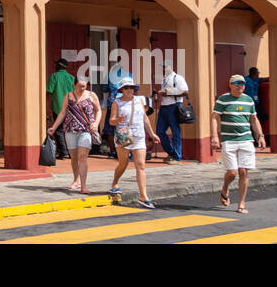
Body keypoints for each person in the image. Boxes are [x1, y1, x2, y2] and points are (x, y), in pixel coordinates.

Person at [212, 74, 266, 214]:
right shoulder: (223, 100)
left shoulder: (248, 100)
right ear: (230, 84)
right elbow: (214, 118)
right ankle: (225, 188)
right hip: (228, 140)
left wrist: (260, 136)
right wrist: (214, 137)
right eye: (237, 83)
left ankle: (241, 204)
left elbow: (254, 119)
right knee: (232, 172)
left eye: (242, 83)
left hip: (246, 140)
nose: (240, 85)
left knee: (243, 171)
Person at [106, 76, 161, 208]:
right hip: (124, 135)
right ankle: (114, 183)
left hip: (139, 136)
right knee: (123, 163)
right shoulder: (117, 103)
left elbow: (145, 119)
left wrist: (152, 134)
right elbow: (111, 121)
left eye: (131, 87)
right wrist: (118, 119)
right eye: (126, 88)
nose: (129, 90)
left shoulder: (140, 100)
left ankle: (143, 196)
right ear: (122, 90)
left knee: (141, 165)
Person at [47, 76, 101, 193]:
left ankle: (83, 185)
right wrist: (54, 127)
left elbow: (98, 110)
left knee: (82, 157)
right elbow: (62, 113)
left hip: (86, 130)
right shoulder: (68, 96)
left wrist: (96, 123)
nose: (82, 88)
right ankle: (75, 180)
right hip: (70, 130)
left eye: (84, 86)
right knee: (74, 157)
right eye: (80, 86)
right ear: (74, 85)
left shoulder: (92, 95)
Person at [156, 60, 189, 164]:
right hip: (164, 107)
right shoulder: (164, 79)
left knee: (175, 132)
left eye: (165, 66)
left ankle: (177, 156)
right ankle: (171, 152)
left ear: (170, 66)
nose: (163, 69)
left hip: (174, 106)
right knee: (160, 131)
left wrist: (169, 92)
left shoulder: (178, 78)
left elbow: (185, 91)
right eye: (162, 67)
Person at [45, 58, 76, 159]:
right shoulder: (71, 78)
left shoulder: (54, 76)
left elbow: (49, 93)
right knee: (69, 130)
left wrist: (48, 108)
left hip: (57, 108)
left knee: (58, 130)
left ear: (58, 66)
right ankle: (71, 151)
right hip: (71, 108)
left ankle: (63, 151)